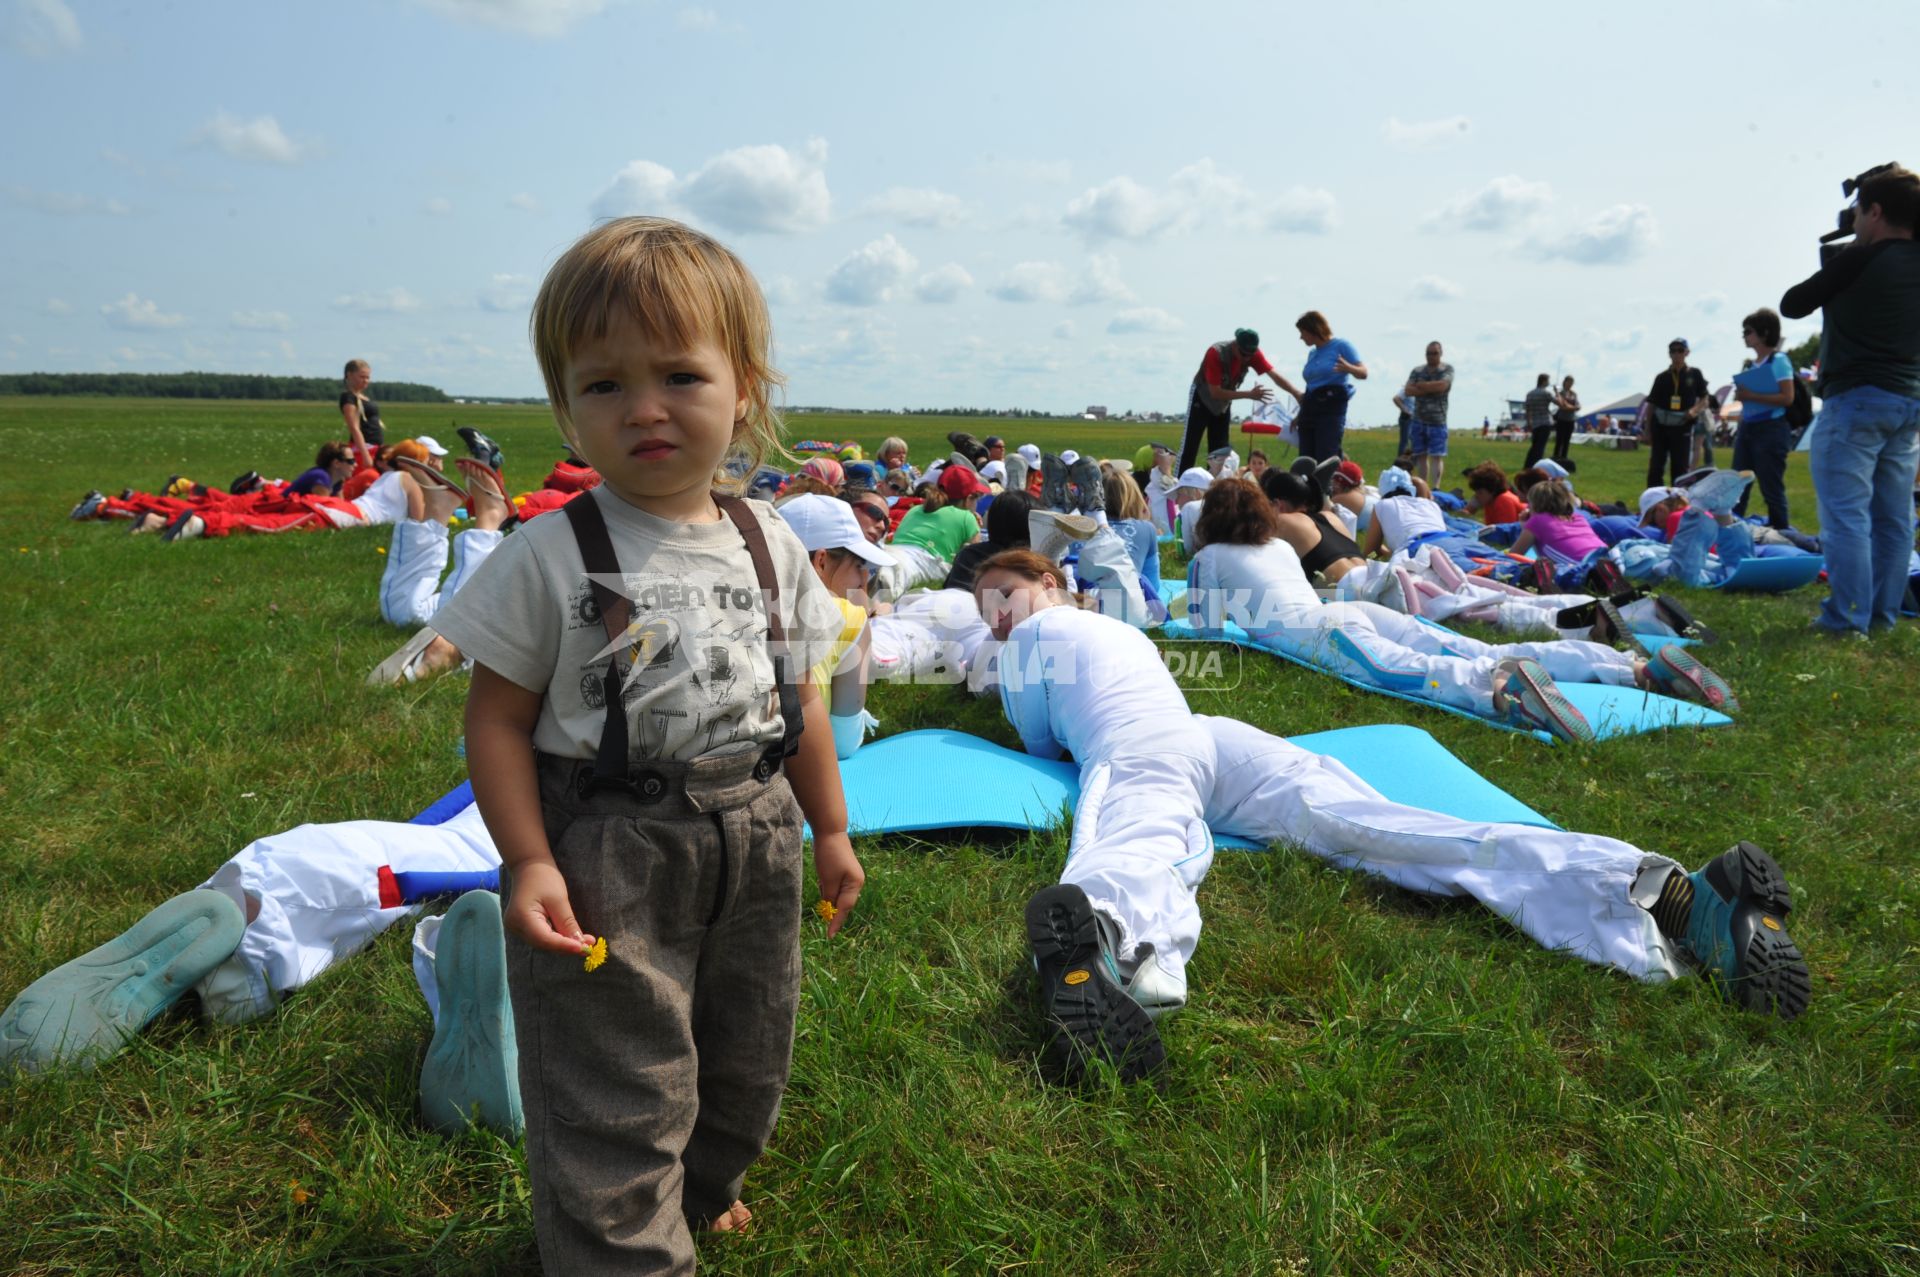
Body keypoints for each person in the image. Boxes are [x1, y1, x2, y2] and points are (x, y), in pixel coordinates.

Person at [427, 216, 865, 1270]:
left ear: (745, 389)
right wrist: (529, 855)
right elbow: (497, 716)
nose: (646, 408)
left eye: (678, 374)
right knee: (616, 1069)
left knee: (747, 1044)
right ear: (568, 407)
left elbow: (799, 697)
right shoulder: (549, 552)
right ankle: (621, 1246)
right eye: (605, 384)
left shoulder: (770, 541)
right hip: (609, 843)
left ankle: (705, 1186)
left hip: (755, 832)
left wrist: (832, 827)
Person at [968, 548, 1804, 1083]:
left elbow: (1043, 742)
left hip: (1145, 747)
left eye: (1000, 594)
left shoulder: (1031, 644)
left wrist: (999, 661)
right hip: (1222, 738)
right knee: (1391, 825)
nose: (994, 615)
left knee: (1140, 834)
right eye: (984, 611)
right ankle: (1666, 893)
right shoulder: (1113, 627)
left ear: (1046, 581)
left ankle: (1107, 942)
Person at [1188, 481, 1731, 738]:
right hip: (1353, 612)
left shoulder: (1210, 555)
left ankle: (1498, 692)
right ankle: (1636, 669)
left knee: (1407, 669)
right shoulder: (1278, 546)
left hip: (1320, 632)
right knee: (1475, 644)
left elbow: (1205, 626)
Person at [1781, 165, 1920, 635]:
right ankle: (1881, 618)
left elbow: (1793, 304)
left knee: (1846, 518)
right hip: (1908, 400)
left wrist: (1853, 250)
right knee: (1895, 520)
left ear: (1875, 211)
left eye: (1860, 211)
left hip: (1856, 399)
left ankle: (1846, 620)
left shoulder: (1858, 259)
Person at [1179, 328, 1287, 473]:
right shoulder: (1216, 353)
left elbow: (1273, 374)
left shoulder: (1251, 354)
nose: (1247, 358)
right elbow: (1215, 392)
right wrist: (1249, 395)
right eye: (1243, 354)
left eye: (1251, 355)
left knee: (1219, 451)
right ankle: (1180, 483)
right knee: (1190, 446)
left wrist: (1297, 393)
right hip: (1202, 396)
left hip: (1224, 402)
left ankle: (1214, 486)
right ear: (1235, 345)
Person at [1730, 307, 1799, 529]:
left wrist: (1751, 395)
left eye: (1748, 331)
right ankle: (1732, 528)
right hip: (1748, 428)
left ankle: (1782, 533)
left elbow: (1787, 397)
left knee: (1771, 488)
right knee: (1738, 486)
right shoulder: (1751, 365)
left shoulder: (1779, 361)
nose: (1744, 336)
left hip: (1770, 429)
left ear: (1764, 333)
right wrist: (1743, 398)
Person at [1270, 311, 1367, 462]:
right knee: (1306, 458)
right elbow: (1310, 387)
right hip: (1310, 408)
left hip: (1330, 409)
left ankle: (1329, 484)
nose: (1301, 337)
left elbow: (1363, 373)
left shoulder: (1341, 345)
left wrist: (1349, 367)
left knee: (1326, 456)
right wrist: (1300, 414)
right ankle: (1309, 485)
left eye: (1302, 332)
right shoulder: (1313, 353)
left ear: (1313, 329)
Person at [1645, 340, 1712, 486]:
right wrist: (1648, 430)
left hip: (1683, 425)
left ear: (1687, 352)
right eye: (1673, 351)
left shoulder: (1695, 374)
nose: (1676, 354)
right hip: (1661, 426)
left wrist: (1694, 410)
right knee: (1656, 466)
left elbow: (1705, 398)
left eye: (1680, 350)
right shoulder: (1662, 377)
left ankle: (1677, 501)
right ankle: (1654, 500)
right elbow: (1651, 405)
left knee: (1680, 467)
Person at [1403, 341, 1455, 488]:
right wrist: (1432, 388)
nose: (1431, 356)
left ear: (1441, 353)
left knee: (1436, 456)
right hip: (1419, 419)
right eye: (1428, 353)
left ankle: (1435, 487)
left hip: (1438, 420)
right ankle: (1423, 486)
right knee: (1420, 456)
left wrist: (1421, 386)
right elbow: (1408, 390)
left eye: (1434, 353)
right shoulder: (1417, 370)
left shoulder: (1447, 369)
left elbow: (1443, 386)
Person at [339, 359, 385, 462]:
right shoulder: (349, 398)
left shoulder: (363, 397)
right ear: (349, 375)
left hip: (375, 447)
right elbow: (354, 427)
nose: (365, 380)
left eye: (368, 377)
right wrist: (365, 455)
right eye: (362, 377)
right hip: (364, 448)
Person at [1463, 460, 1526, 526]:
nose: (1476, 496)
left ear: (1492, 489)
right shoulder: (1489, 502)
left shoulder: (1503, 500)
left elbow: (1506, 532)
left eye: (1480, 492)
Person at [1521, 373, 1563, 468]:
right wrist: (1557, 392)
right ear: (1544, 381)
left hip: (1534, 423)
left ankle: (1528, 465)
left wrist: (1529, 422)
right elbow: (1559, 403)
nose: (1549, 383)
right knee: (1540, 447)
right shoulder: (1546, 393)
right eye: (1548, 380)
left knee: (1534, 446)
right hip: (1545, 422)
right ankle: (1537, 466)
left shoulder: (1530, 393)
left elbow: (1527, 410)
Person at [288, 441, 356, 496]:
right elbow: (325, 510)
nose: (355, 465)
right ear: (337, 463)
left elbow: (341, 506)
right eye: (351, 461)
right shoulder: (321, 477)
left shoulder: (338, 479)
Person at [1551, 375, 1580, 466]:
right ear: (1565, 382)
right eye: (1569, 382)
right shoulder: (1561, 393)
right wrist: (1573, 408)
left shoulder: (1574, 394)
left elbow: (1578, 406)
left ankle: (1564, 458)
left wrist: (1570, 407)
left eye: (1572, 382)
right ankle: (1556, 457)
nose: (1570, 384)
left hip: (1571, 420)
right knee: (1559, 439)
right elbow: (1562, 405)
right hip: (1562, 419)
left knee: (1567, 440)